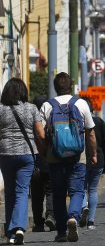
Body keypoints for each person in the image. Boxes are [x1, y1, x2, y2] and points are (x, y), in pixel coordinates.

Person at [40, 72, 97, 242]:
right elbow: (90, 133)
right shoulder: (81, 103)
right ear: (71, 86)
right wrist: (92, 154)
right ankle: (73, 216)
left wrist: (44, 153)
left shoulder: (47, 106)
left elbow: (41, 135)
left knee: (58, 194)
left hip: (54, 156)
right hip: (77, 155)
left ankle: (62, 232)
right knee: (77, 190)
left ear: (55, 87)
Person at [0, 78, 46, 245]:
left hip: (5, 154)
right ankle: (19, 227)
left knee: (10, 192)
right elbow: (40, 134)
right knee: (22, 191)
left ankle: (11, 233)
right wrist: (44, 152)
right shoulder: (32, 108)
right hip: (27, 154)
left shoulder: (1, 109)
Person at [79, 97, 105, 230]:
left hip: (82, 159)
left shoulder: (78, 122)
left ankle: (83, 208)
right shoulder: (99, 121)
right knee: (93, 189)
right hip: (98, 158)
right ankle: (91, 221)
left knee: (81, 189)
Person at [31, 95, 56, 232]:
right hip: (50, 160)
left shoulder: (29, 120)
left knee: (36, 194)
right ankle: (51, 216)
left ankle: (38, 223)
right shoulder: (51, 119)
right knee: (51, 190)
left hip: (34, 163)